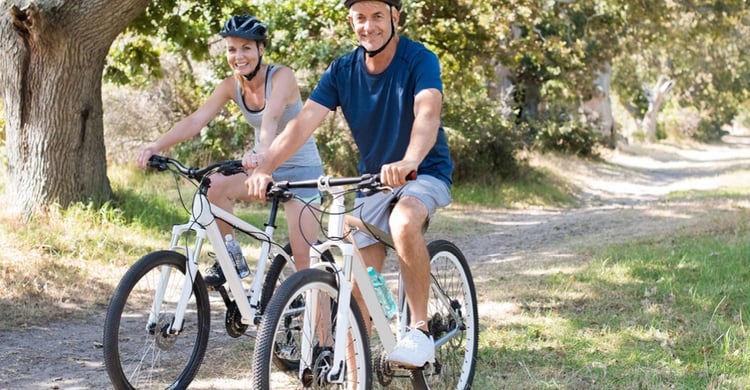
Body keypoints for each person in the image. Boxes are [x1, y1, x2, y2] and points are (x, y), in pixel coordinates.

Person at [245, 0, 453, 368]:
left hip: (423, 171)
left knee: (403, 222)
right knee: (355, 274)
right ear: (351, 21)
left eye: (377, 16)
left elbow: (428, 112)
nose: (368, 26)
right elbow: (302, 123)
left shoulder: (419, 59)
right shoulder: (343, 70)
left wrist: (409, 160)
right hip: (373, 181)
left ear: (394, 17)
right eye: (360, 18)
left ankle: (419, 331)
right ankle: (355, 373)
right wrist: (266, 166)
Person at [136, 15, 324, 287]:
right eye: (231, 49)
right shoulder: (230, 85)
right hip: (262, 167)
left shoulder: (282, 76)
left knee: (304, 269)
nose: (238, 56)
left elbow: (270, 118)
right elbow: (196, 120)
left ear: (261, 49)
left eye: (246, 48)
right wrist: (157, 145)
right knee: (214, 186)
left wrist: (261, 156)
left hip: (300, 174)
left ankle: (324, 331)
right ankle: (231, 262)